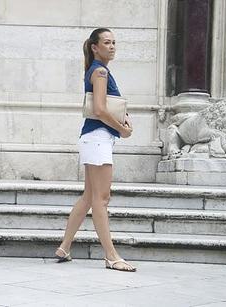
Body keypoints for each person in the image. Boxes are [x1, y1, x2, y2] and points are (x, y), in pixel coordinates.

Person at [54, 28, 136, 272]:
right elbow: (99, 109)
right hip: (98, 139)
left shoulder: (97, 70)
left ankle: (65, 247)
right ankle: (111, 256)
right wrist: (122, 128)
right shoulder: (100, 71)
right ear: (94, 47)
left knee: (90, 197)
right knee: (101, 198)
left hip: (94, 139)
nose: (112, 46)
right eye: (107, 42)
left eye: (114, 42)